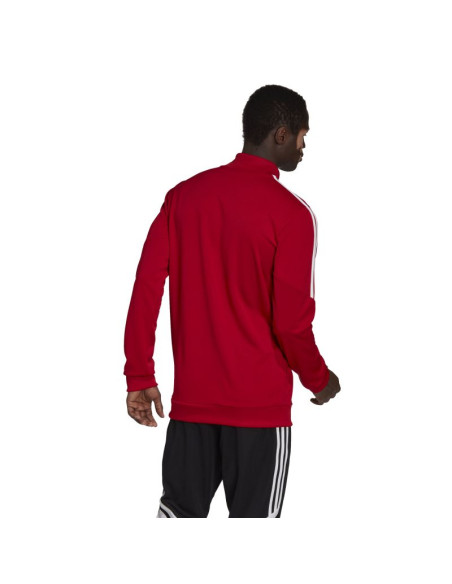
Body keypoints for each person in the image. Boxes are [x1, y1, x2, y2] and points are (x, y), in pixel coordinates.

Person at [123, 84, 341, 518]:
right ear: (281, 134)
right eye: (302, 136)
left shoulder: (183, 196)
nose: (303, 148)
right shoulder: (293, 214)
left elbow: (146, 286)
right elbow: (291, 323)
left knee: (176, 523)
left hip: (192, 410)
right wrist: (319, 379)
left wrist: (139, 374)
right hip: (259, 413)